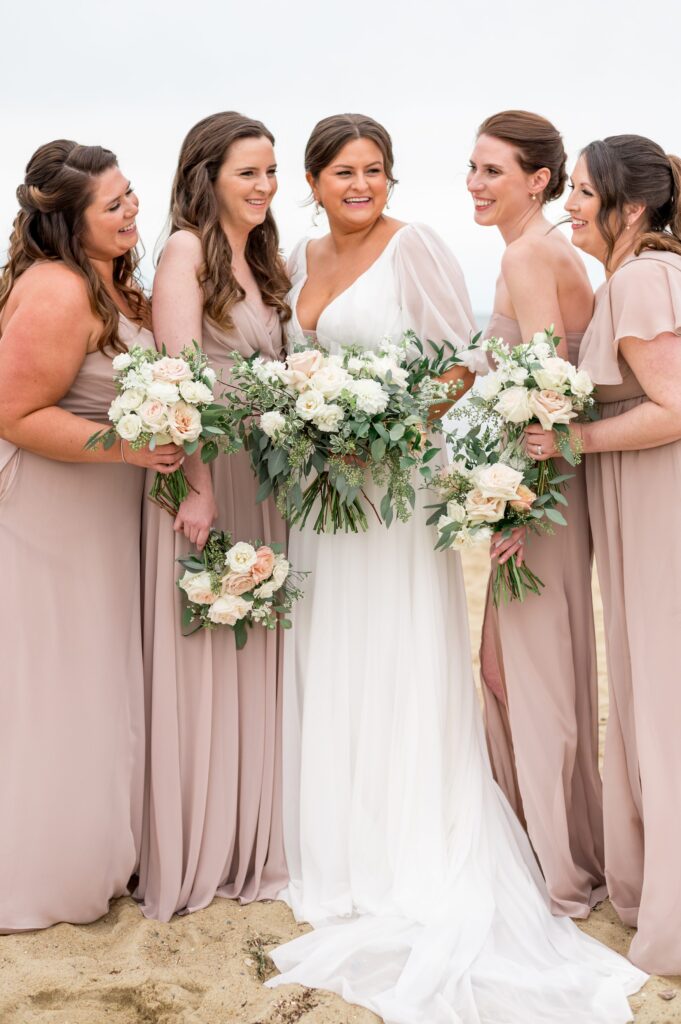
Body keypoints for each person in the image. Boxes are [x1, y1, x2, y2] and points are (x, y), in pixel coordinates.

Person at [266, 112, 646, 1024]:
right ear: (312, 182)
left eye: (376, 170)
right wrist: (317, 424)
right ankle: (340, 837)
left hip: (390, 490)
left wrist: (381, 429)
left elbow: (457, 371)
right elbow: (291, 363)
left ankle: (423, 838)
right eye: (344, 171)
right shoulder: (295, 264)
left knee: (403, 651)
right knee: (331, 654)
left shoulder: (420, 247)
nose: (361, 184)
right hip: (322, 498)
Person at [0, 140, 183, 932]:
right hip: (51, 515)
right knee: (58, 683)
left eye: (131, 194)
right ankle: (45, 866)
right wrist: (134, 447)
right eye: (113, 205)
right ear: (69, 224)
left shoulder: (116, 285)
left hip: (107, 514)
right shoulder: (54, 288)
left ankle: (108, 845)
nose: (132, 210)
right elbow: (12, 413)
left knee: (104, 677)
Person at [526, 133, 681, 976]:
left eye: (582, 192)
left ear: (629, 205)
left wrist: (570, 440)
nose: (569, 206)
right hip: (642, 502)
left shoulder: (641, 277)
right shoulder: (647, 272)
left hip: (661, 505)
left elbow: (675, 405)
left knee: (663, 694)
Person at [136, 112, 290, 921]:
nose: (264, 187)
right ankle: (202, 839)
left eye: (270, 172)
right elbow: (176, 379)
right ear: (207, 176)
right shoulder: (186, 251)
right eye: (248, 173)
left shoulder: (259, 258)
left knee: (255, 649)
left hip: (264, 475)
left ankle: (251, 831)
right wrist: (197, 485)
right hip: (214, 473)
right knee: (206, 650)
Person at [469, 110, 604, 918]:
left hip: (538, 492)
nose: (475, 184)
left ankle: (556, 865)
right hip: (540, 485)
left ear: (537, 181)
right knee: (519, 663)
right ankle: (549, 841)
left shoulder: (527, 255)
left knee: (525, 671)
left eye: (492, 170)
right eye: (472, 168)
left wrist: (518, 505)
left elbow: (542, 389)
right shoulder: (547, 254)